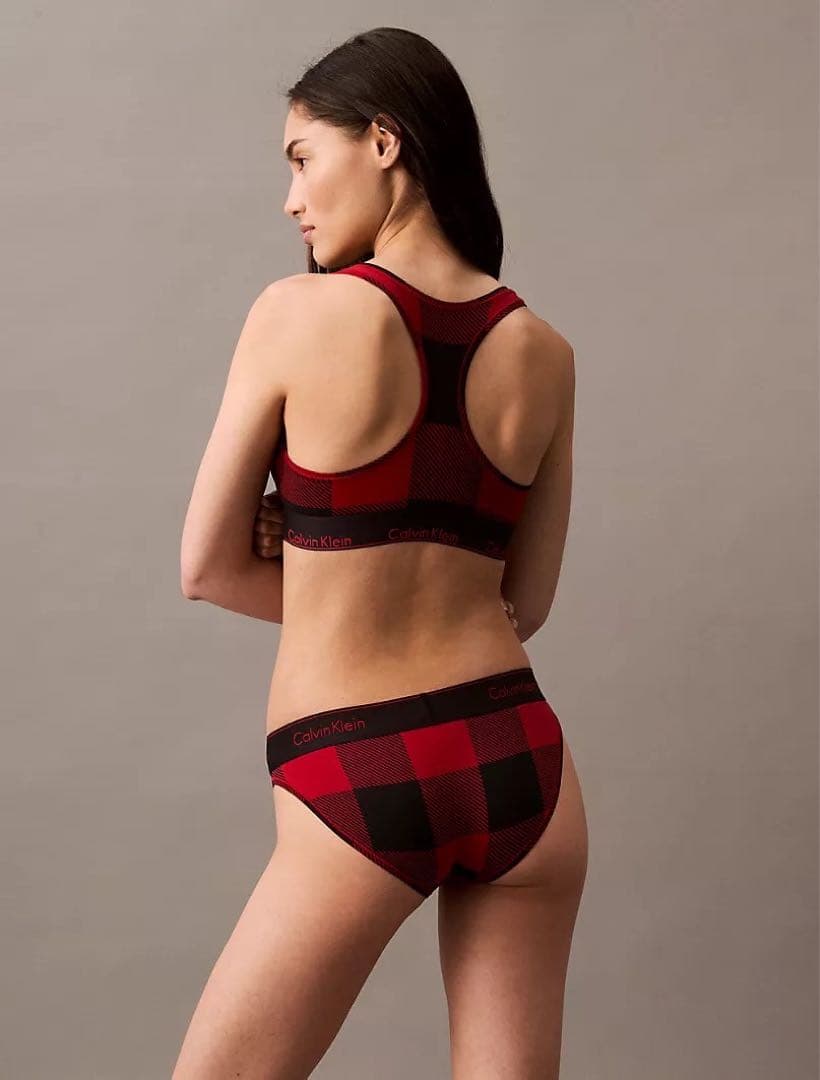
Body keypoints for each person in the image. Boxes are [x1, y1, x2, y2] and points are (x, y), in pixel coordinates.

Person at [175, 26, 587, 1080]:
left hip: (358, 764)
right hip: (518, 762)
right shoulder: (544, 352)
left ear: (385, 143)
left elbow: (207, 566)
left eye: (302, 158)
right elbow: (524, 602)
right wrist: (373, 565)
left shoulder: (296, 314)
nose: (292, 200)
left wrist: (323, 566)